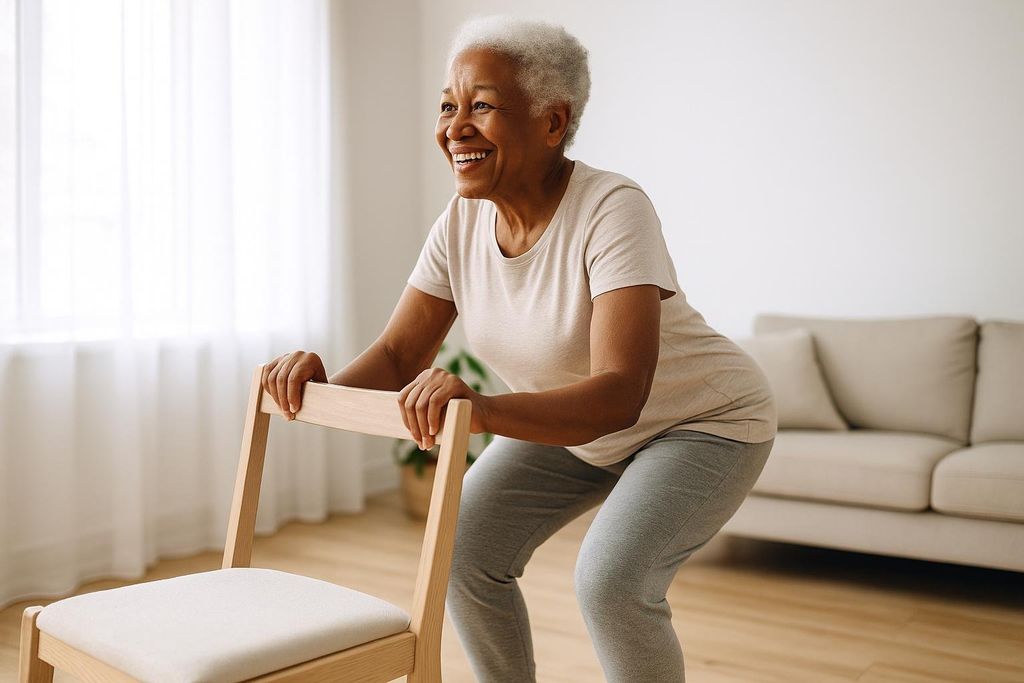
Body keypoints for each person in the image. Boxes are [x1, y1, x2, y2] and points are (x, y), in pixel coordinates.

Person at [261, 15, 776, 683]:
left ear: (552, 122)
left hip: (703, 423)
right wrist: (317, 383)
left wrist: (481, 408)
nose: (454, 127)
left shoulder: (613, 209)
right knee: (463, 546)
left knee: (611, 582)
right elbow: (395, 356)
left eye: (482, 105)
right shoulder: (460, 221)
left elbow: (621, 391)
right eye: (448, 106)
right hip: (581, 429)